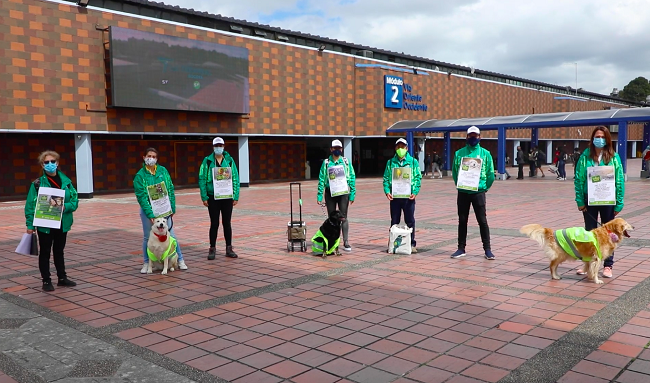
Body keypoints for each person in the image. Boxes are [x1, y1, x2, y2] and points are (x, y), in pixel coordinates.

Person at [574, 126, 625, 278]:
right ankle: (588, 263)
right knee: (590, 232)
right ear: (592, 138)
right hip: (590, 199)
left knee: (609, 233)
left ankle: (608, 265)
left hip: (608, 199)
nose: (600, 139)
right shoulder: (585, 156)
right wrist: (579, 200)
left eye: (603, 137)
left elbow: (619, 180)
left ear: (607, 139)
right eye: (597, 136)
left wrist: (619, 202)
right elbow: (578, 178)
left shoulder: (614, 157)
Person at [24, 151, 78, 292]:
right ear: (42, 165)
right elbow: (30, 205)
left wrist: (66, 207)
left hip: (62, 222)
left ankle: (62, 278)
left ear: (57, 163)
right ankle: (46, 280)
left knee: (59, 251)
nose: (50, 165)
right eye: (46, 162)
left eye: (52, 161)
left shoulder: (66, 182)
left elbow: (75, 201)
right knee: (45, 252)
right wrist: (30, 225)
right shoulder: (37, 184)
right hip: (45, 223)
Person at [134, 148, 188, 273]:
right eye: (149, 156)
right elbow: (141, 196)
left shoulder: (163, 171)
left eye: (153, 156)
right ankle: (147, 263)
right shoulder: (140, 176)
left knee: (171, 236)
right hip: (148, 212)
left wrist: (172, 207)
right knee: (148, 238)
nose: (151, 158)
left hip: (164, 210)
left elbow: (170, 189)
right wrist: (150, 214)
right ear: (144, 157)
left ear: (157, 159)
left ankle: (180, 260)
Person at [451, 126, 496, 260]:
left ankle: (487, 249)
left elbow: (490, 174)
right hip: (463, 192)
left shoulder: (485, 154)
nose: (473, 138)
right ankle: (461, 248)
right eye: (470, 135)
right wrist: (460, 184)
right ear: (466, 137)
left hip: (478, 192)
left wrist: (484, 187)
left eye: (475, 136)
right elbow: (454, 172)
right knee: (462, 220)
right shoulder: (459, 153)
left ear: (479, 137)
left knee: (482, 221)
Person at [199, 137, 241, 259]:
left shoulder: (229, 160)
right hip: (213, 196)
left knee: (227, 223)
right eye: (216, 145)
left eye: (221, 145)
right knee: (214, 223)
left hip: (227, 196)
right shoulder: (207, 161)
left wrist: (236, 195)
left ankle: (229, 248)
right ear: (213, 147)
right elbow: (201, 178)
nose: (219, 147)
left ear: (224, 146)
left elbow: (235, 178)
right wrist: (204, 196)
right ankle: (212, 248)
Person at [383, 138, 422, 253]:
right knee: (394, 221)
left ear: (407, 148)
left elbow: (418, 178)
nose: (401, 149)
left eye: (403, 147)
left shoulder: (413, 162)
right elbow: (386, 178)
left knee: (410, 221)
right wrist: (387, 191)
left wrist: (414, 192)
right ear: (395, 148)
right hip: (395, 197)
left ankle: (411, 244)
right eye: (398, 147)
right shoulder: (390, 162)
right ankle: (392, 243)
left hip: (408, 197)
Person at [316, 139, 356, 251]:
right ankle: (332, 241)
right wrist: (319, 195)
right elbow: (321, 179)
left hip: (343, 193)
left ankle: (346, 241)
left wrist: (352, 193)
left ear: (342, 149)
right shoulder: (326, 163)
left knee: (343, 217)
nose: (337, 150)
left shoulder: (346, 162)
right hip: (330, 193)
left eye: (339, 148)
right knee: (332, 218)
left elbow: (352, 177)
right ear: (331, 149)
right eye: (335, 148)